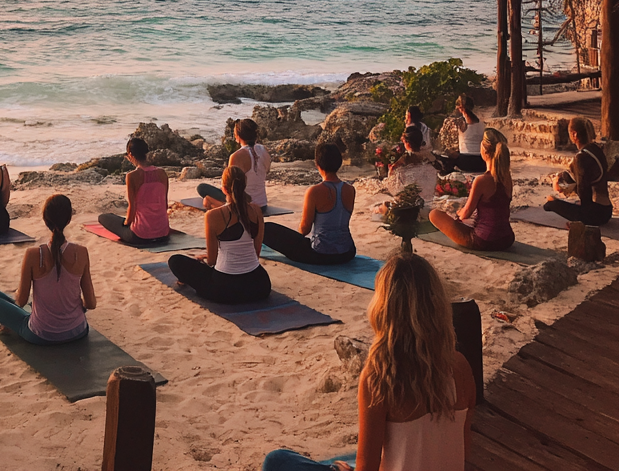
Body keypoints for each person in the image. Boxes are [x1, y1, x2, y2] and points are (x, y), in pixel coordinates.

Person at [261, 253, 476, 471]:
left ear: (384, 307)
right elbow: (463, 453)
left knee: (278, 461)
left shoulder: (381, 376)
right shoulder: (460, 366)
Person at [0, 193, 95, 344]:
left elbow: (21, 301)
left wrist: (17, 294)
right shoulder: (81, 252)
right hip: (78, 331)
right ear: (69, 220)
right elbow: (91, 304)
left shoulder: (33, 254)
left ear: (45, 220)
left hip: (40, 335)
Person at [169, 165, 271, 303]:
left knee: (175, 261)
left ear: (223, 189)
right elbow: (256, 252)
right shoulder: (256, 210)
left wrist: (206, 259)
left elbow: (212, 261)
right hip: (259, 286)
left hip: (226, 289)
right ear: (244, 185)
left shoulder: (213, 215)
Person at [263, 143, 355, 264]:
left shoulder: (314, 191)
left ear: (317, 164)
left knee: (267, 228)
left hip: (321, 254)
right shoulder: (350, 189)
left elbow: (304, 229)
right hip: (347, 253)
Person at [429, 129, 514, 251]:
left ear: (484, 150)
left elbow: (466, 213)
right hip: (507, 239)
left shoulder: (482, 180)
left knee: (434, 214)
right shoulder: (507, 177)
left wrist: (457, 213)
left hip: (484, 240)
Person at [98, 136, 170, 244]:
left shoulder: (132, 176)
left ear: (130, 155)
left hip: (140, 235)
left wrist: (126, 224)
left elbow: (132, 208)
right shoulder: (162, 173)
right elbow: (165, 205)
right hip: (163, 234)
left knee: (104, 217)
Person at [544, 117, 613, 226]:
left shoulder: (581, 158)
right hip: (607, 210)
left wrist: (578, 222)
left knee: (549, 204)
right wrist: (560, 178)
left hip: (596, 214)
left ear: (574, 134)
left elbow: (583, 192)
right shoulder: (596, 149)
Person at [198, 117, 271, 209]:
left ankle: (217, 205)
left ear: (238, 136)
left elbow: (228, 187)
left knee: (202, 188)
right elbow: (267, 170)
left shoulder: (236, 156)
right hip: (262, 205)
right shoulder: (264, 150)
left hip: (244, 206)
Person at [383, 126, 438, 205]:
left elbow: (393, 172)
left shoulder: (406, 157)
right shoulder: (429, 155)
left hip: (411, 194)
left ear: (407, 143)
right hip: (430, 191)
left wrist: (390, 171)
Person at [435, 96, 487, 174]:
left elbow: (445, 143)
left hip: (465, 162)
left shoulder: (457, 123)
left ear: (460, 108)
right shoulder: (482, 124)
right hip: (481, 161)